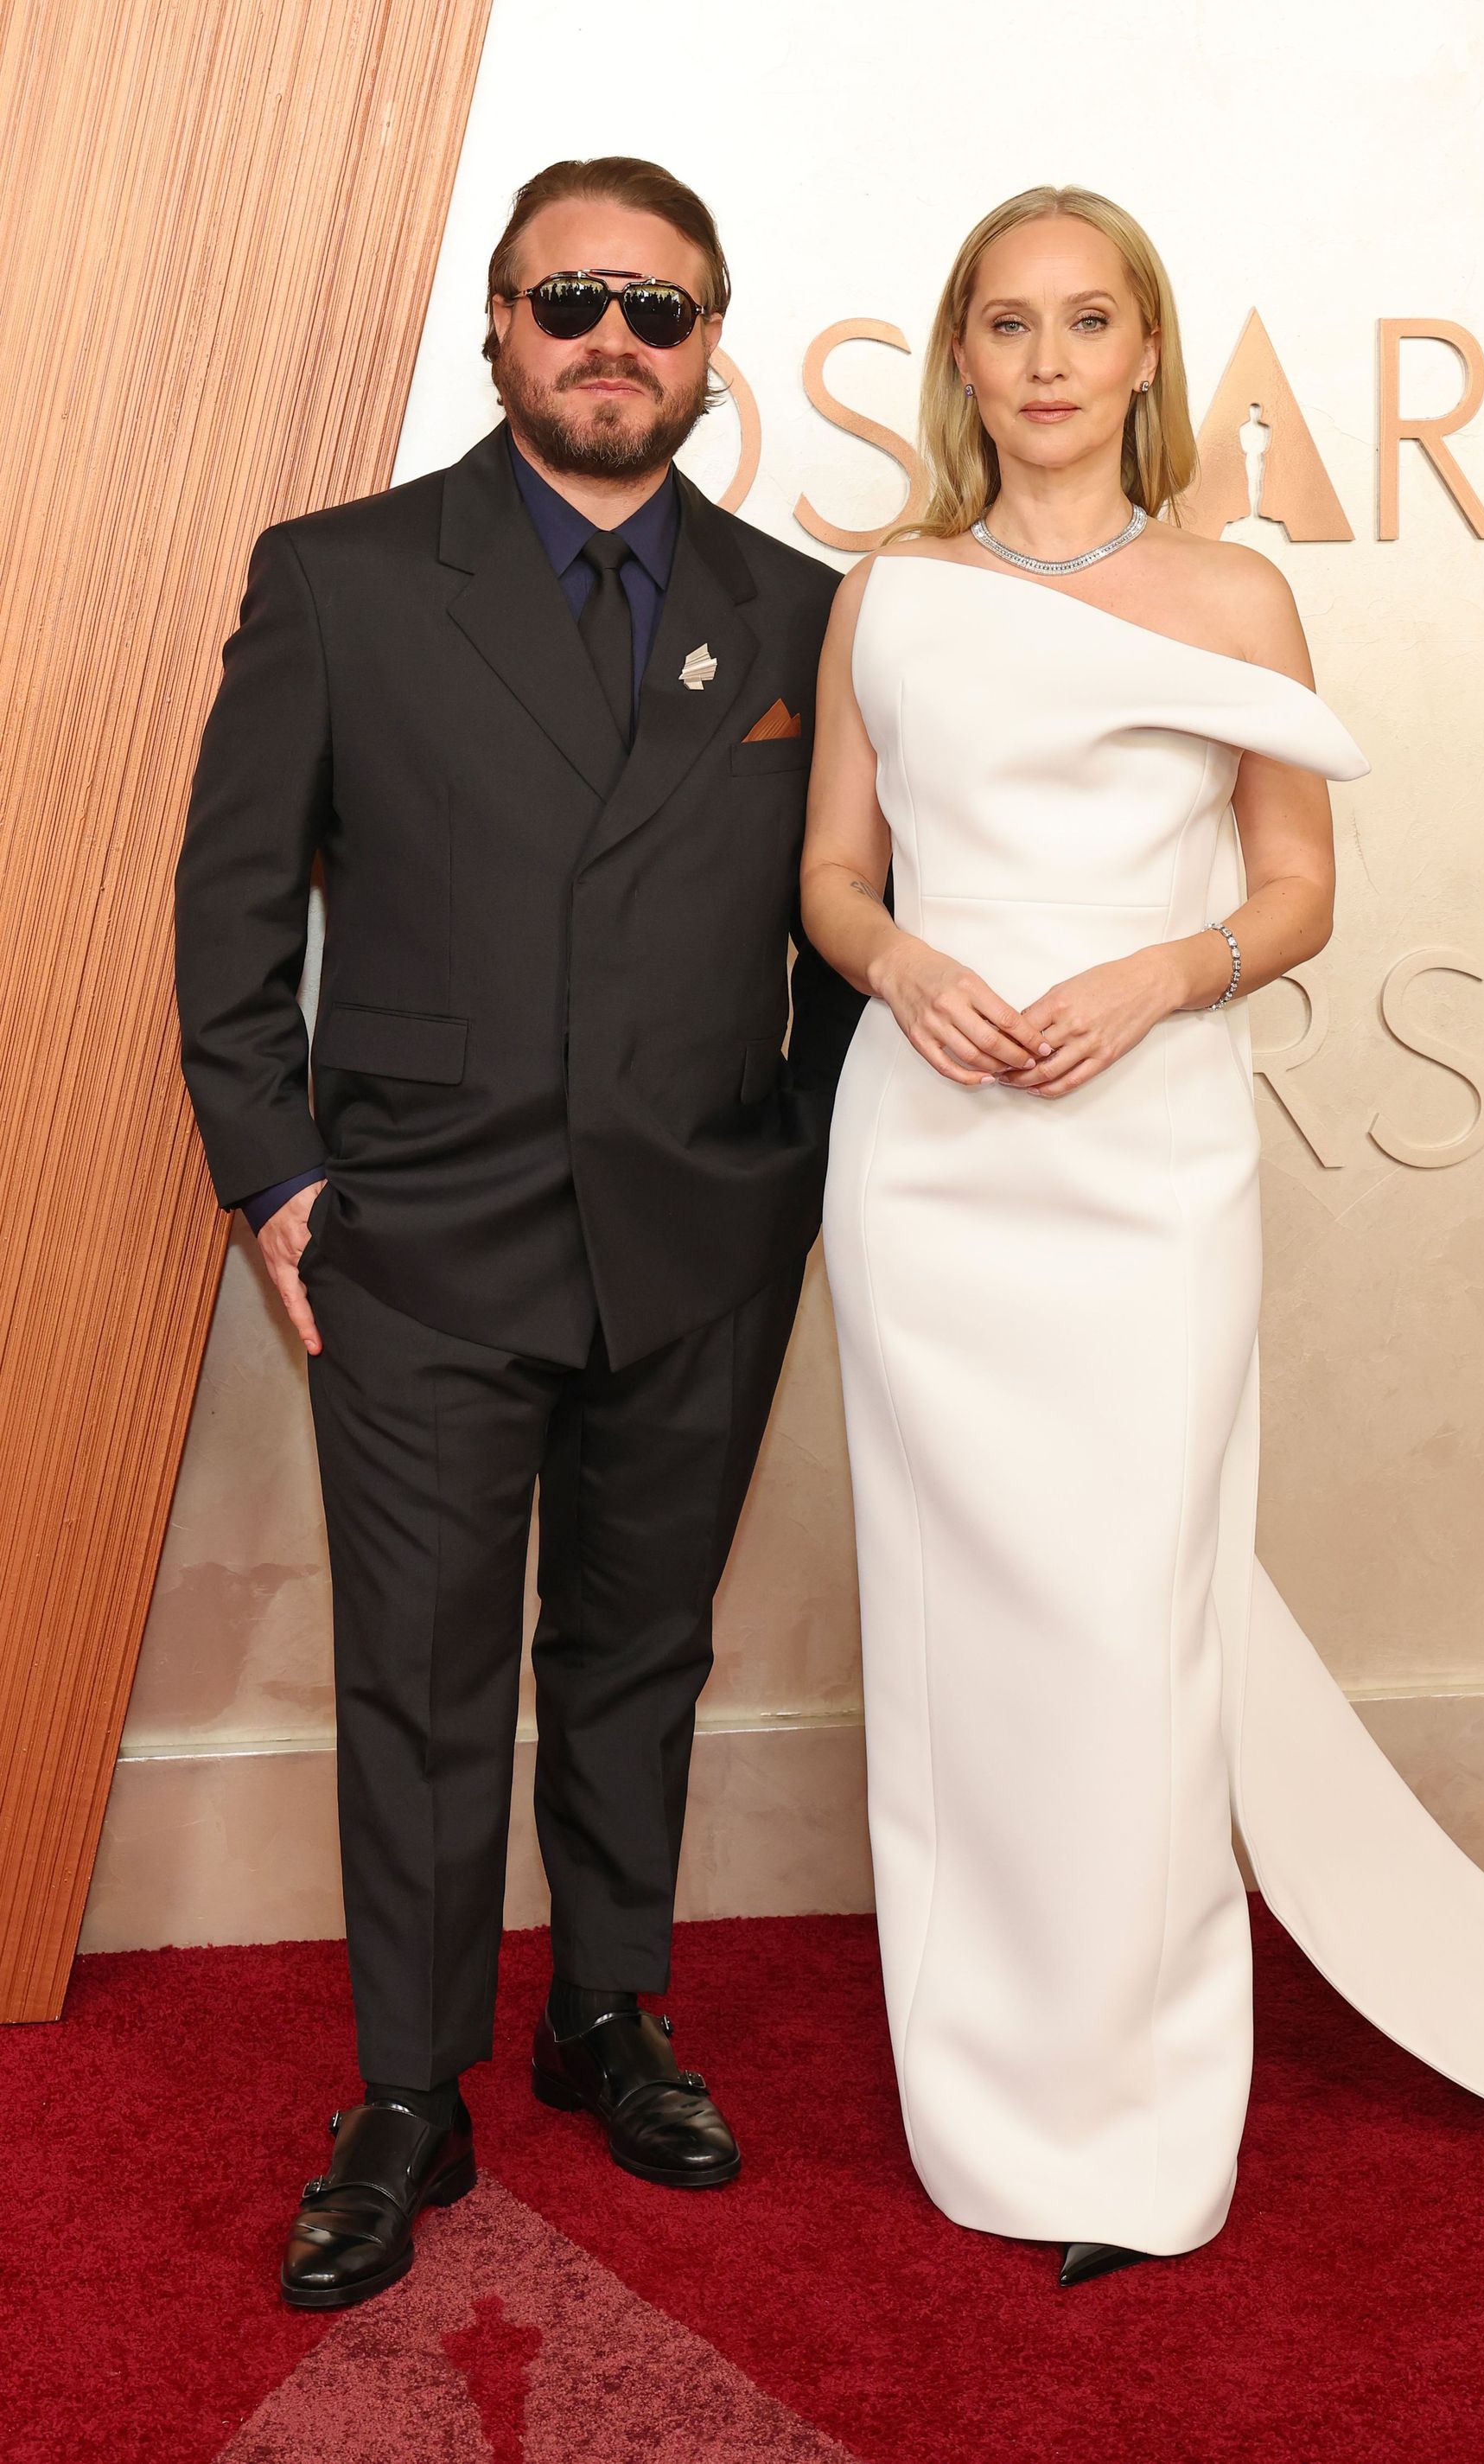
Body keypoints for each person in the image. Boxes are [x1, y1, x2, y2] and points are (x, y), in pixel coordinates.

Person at [799, 183, 1484, 2288]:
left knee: (1128, 1619)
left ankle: (1143, 2122)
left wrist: (1155, 983)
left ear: (1146, 351)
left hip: (1139, 1150)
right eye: (1009, 323)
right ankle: (989, 2105)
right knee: (956, 1632)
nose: (1050, 359)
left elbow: (1293, 894)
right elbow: (831, 876)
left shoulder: (1232, 597)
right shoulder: (883, 595)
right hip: (930, 1157)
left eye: (1090, 320)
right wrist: (902, 968)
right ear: (962, 356)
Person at [174, 154, 862, 2310]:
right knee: (424, 1680)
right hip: (417, 1242)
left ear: (710, 348)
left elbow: (847, 934)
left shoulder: (801, 613)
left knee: (642, 1653)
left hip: (698, 1240)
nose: (609, 338)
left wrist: (805, 1176)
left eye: (657, 309)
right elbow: (225, 908)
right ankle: (409, 2086)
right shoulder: (343, 579)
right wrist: (272, 1171)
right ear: (493, 327)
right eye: (568, 296)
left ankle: (608, 2015)